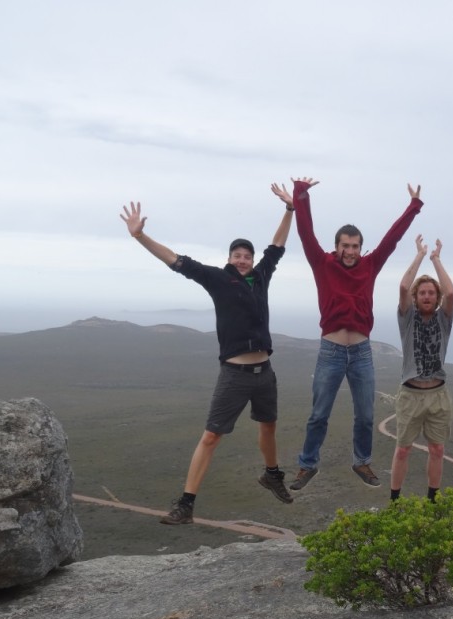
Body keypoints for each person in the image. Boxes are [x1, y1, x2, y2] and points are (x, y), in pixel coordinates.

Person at [118, 184, 296, 525]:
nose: (243, 260)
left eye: (247, 255)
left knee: (269, 426)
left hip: (265, 373)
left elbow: (277, 245)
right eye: (237, 255)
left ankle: (272, 474)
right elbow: (177, 261)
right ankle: (186, 503)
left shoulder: (261, 277)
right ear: (229, 259)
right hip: (234, 374)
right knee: (211, 436)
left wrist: (290, 210)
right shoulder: (216, 279)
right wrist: (141, 236)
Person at [287, 177, 423, 491]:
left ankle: (362, 461)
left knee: (365, 415)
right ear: (336, 247)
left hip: (362, 352)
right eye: (345, 246)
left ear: (360, 247)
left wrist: (413, 207)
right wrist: (301, 194)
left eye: (355, 246)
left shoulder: (370, 264)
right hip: (331, 352)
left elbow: (392, 238)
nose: (350, 251)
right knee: (319, 414)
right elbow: (305, 232)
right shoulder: (322, 263)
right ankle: (307, 464)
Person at [389, 235, 453, 502]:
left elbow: (451, 292)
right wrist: (419, 255)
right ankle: (394, 501)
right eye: (423, 292)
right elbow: (404, 286)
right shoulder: (407, 318)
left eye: (431, 292)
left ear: (436, 297)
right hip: (411, 395)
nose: (427, 296)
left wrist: (436, 259)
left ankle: (432, 500)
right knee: (403, 450)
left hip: (438, 394)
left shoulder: (444, 319)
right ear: (416, 297)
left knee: (437, 449)